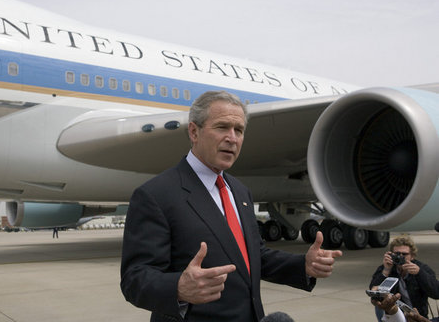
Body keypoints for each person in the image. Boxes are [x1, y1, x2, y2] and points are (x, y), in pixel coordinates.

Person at [120, 90, 342, 321]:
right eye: (222, 127)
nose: (232, 138)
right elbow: (135, 279)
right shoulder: (156, 194)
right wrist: (178, 287)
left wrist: (303, 265)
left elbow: (254, 255)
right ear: (194, 131)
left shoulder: (239, 190)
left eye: (239, 130)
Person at [370, 234, 439, 321]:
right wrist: (386, 271)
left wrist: (419, 274)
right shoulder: (388, 267)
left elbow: (436, 293)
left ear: (412, 256)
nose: (400, 257)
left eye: (404, 254)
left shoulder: (421, 268)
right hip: (394, 314)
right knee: (379, 305)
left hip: (416, 316)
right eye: (397, 254)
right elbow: (373, 293)